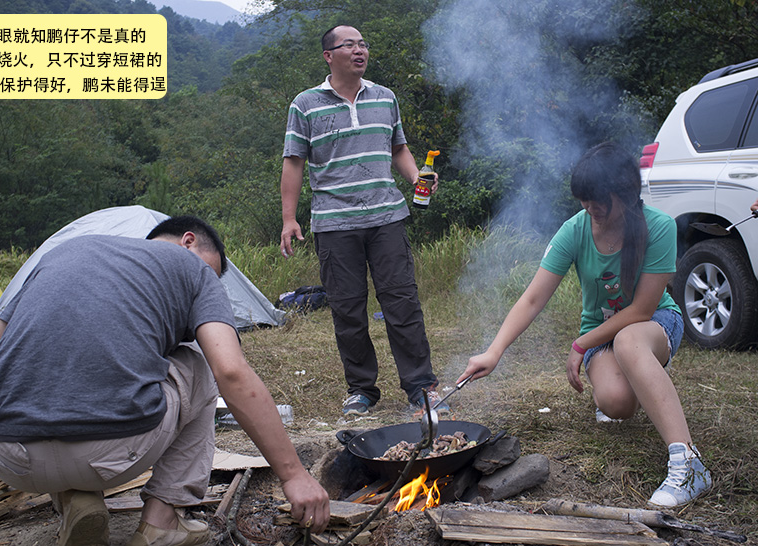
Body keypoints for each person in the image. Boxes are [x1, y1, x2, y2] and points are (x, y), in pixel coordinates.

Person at [0, 216, 330, 546]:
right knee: (201, 363)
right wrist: (293, 475)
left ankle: (75, 500)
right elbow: (231, 372)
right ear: (188, 242)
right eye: (215, 272)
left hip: (6, 453)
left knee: (61, 371)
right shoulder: (192, 267)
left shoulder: (62, 254)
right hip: (109, 452)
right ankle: (162, 521)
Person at [458, 142, 711, 508]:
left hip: (654, 323)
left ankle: (688, 463)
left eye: (598, 202)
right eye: (584, 201)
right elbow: (532, 299)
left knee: (629, 342)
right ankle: (635, 378)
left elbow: (642, 309)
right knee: (617, 404)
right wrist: (494, 352)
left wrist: (582, 344)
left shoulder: (659, 227)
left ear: (626, 194)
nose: (590, 209)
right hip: (602, 333)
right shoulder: (574, 230)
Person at [280, 24, 444, 417]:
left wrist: (416, 177)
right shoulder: (305, 104)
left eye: (363, 44)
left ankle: (421, 387)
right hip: (334, 223)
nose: (360, 50)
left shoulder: (385, 97)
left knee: (402, 302)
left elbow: (398, 148)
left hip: (386, 216)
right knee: (347, 309)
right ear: (329, 56)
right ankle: (361, 390)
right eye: (349, 45)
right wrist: (289, 218)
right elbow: (294, 161)